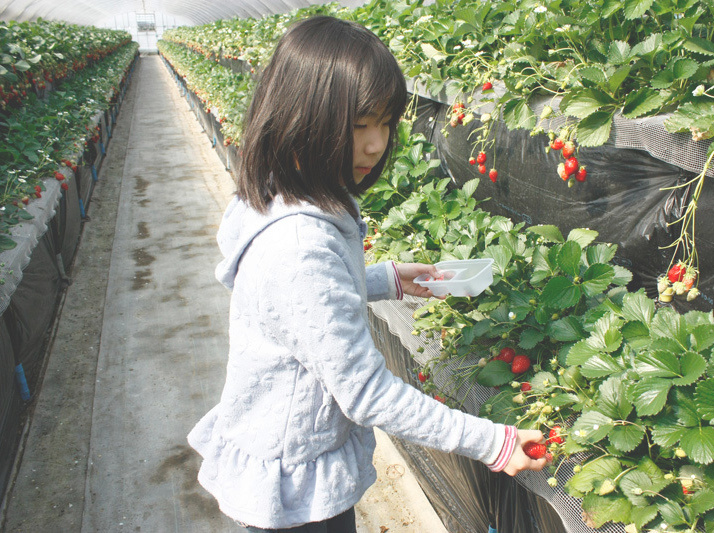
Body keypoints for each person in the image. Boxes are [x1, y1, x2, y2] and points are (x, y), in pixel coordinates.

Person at [187, 15, 549, 533]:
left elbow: (306, 304)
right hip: (290, 484)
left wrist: (387, 278)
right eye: (359, 124)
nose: (377, 144)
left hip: (292, 448)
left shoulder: (288, 192)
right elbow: (366, 391)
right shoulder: (298, 248)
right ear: (301, 116)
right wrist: (494, 442)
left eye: (386, 122)